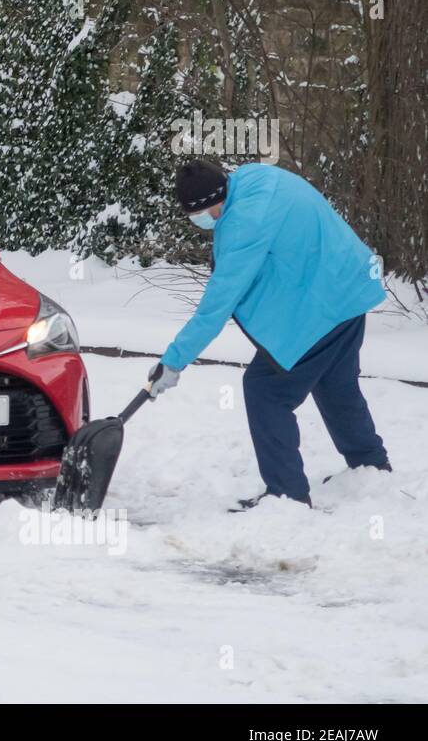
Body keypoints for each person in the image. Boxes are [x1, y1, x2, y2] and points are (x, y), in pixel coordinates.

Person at [147, 159, 390, 509]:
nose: (204, 220)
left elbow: (215, 307)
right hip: (349, 287)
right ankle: (370, 466)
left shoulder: (244, 225)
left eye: (205, 211)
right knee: (336, 383)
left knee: (265, 390)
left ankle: (287, 495)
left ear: (219, 195)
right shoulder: (255, 178)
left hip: (321, 306)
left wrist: (173, 362)